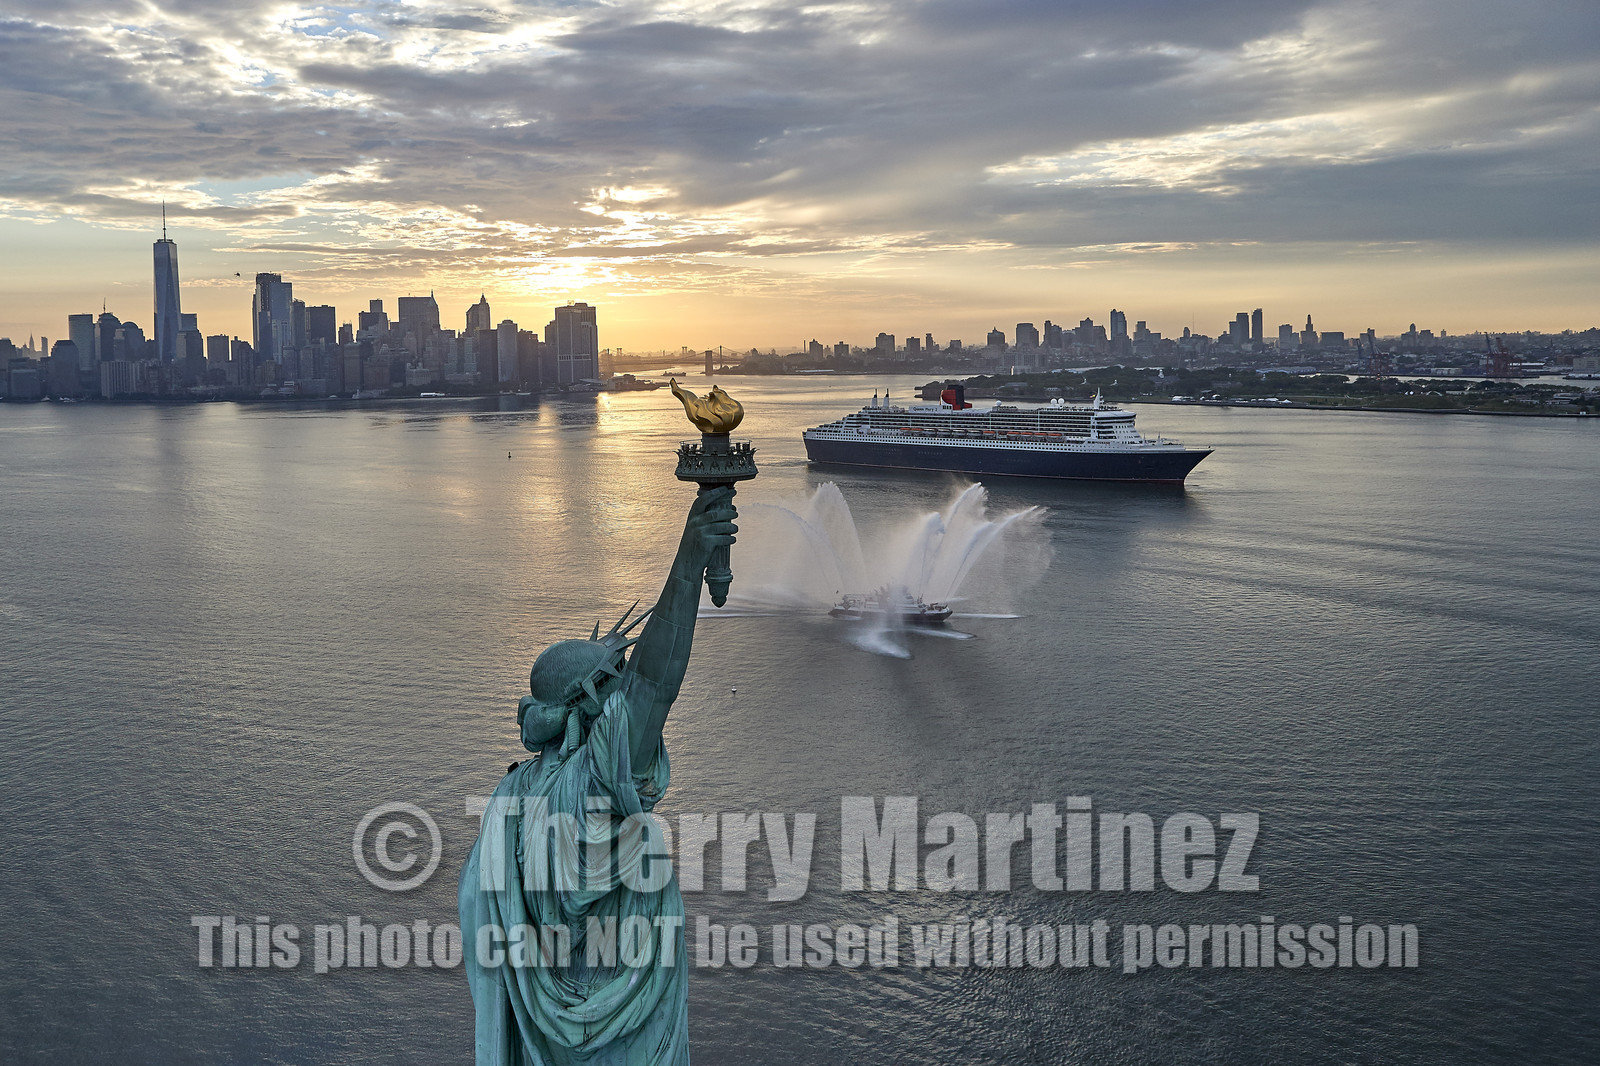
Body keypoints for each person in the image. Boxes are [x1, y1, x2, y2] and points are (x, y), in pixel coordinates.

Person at [460, 486, 738, 1066]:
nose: (623, 692)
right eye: (613, 682)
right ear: (587, 707)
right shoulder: (585, 787)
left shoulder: (514, 792)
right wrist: (687, 565)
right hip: (620, 1028)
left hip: (548, 1025)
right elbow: (656, 683)